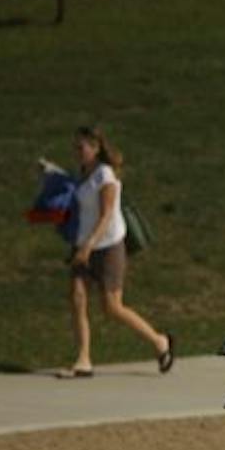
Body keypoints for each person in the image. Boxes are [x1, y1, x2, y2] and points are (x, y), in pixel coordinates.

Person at [49, 124, 174, 379]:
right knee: (77, 298)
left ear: (95, 148)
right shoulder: (84, 173)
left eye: (81, 146)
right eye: (75, 146)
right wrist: (54, 174)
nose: (77, 151)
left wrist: (88, 246)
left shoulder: (105, 176)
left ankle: (160, 342)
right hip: (83, 245)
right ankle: (83, 360)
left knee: (112, 307)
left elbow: (106, 216)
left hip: (107, 247)